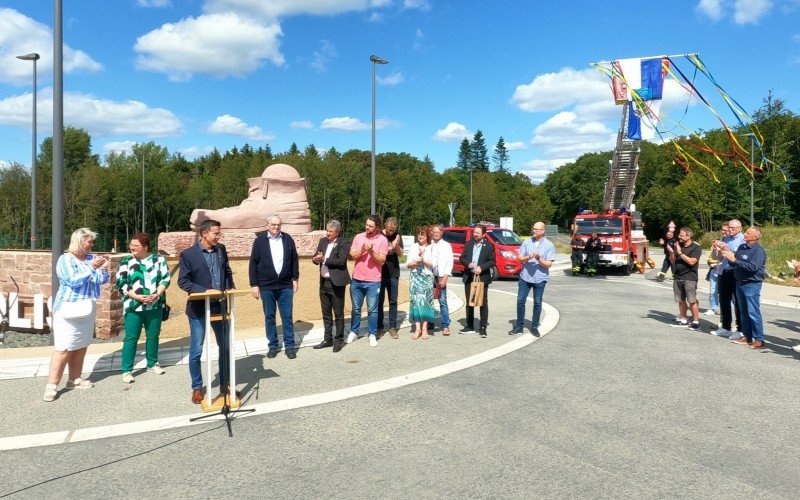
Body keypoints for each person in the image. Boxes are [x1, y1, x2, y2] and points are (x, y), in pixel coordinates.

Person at [43, 228, 110, 402]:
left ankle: (74, 379)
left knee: (81, 345)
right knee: (64, 348)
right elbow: (72, 280)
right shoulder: (65, 259)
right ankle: (52, 385)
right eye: (89, 242)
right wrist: (92, 268)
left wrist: (103, 268)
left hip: (86, 308)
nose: (92, 245)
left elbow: (101, 281)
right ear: (79, 242)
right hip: (68, 308)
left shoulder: (90, 259)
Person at [178, 219, 236, 404]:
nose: (219, 236)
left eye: (219, 233)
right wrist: (204, 291)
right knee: (196, 350)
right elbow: (183, 282)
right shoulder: (188, 254)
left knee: (225, 346)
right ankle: (197, 387)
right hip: (199, 308)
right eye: (216, 233)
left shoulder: (221, 250)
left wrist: (230, 288)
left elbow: (226, 272)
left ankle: (224, 383)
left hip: (220, 305)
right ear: (204, 234)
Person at [116, 233, 171, 384]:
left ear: (145, 246)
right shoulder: (126, 261)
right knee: (131, 338)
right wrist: (136, 296)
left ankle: (152, 363)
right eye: (131, 245)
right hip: (133, 306)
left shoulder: (158, 259)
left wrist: (156, 294)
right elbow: (121, 282)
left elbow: (165, 278)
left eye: (136, 245)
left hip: (155, 305)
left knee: (153, 336)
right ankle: (126, 370)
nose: (131, 247)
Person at [249, 214, 300, 360]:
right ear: (267, 225)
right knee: (270, 317)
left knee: (287, 316)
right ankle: (273, 346)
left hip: (285, 286)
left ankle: (289, 346)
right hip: (266, 286)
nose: (276, 227)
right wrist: (254, 285)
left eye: (278, 225)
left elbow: (294, 260)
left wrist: (295, 279)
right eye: (273, 225)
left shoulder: (287, 239)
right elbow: (253, 263)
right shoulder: (259, 241)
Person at [347, 215, 389, 347]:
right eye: (366, 225)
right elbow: (351, 257)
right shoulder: (359, 237)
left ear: (377, 227)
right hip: (357, 279)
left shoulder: (382, 240)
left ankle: (372, 334)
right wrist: (363, 250)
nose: (367, 227)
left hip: (373, 281)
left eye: (370, 226)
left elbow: (382, 260)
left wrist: (371, 252)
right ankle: (354, 331)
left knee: (372, 310)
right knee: (356, 308)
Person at [724, 226, 767, 349]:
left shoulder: (758, 250)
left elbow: (753, 267)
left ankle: (759, 339)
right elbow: (735, 261)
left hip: (752, 284)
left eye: (748, 233)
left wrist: (735, 261)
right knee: (743, 312)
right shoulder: (742, 247)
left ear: (756, 237)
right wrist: (728, 254)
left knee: (753, 312)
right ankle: (747, 336)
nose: (745, 235)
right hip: (740, 283)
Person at [311, 220, 351, 353]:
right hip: (324, 282)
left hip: (337, 283)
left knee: (338, 313)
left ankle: (338, 340)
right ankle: (327, 339)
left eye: (330, 231)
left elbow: (341, 261)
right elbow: (317, 255)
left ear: (337, 232)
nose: (327, 233)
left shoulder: (343, 242)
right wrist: (315, 259)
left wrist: (324, 260)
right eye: (327, 230)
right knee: (326, 312)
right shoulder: (323, 241)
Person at [511, 222, 555, 337]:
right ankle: (519, 327)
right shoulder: (526, 242)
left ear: (543, 231)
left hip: (540, 278)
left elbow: (548, 264)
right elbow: (520, 259)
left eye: (537, 229)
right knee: (520, 301)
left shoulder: (549, 245)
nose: (534, 231)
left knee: (537, 302)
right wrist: (529, 257)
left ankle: (534, 327)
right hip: (525, 277)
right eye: (533, 229)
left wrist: (539, 258)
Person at [459, 224, 496, 338]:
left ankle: (483, 327)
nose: (475, 234)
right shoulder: (468, 244)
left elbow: (492, 261)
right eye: (474, 232)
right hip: (469, 277)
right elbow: (462, 258)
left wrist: (481, 267)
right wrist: (468, 264)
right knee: (469, 302)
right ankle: (469, 326)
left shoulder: (489, 246)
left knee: (482, 303)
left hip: (482, 278)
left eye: (477, 233)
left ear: (483, 235)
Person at [711, 219, 745, 339]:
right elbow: (720, 257)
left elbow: (742, 257)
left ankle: (740, 329)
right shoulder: (726, 238)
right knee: (724, 299)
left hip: (736, 272)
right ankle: (726, 327)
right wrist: (718, 250)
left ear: (740, 228)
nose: (730, 230)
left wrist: (728, 250)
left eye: (733, 228)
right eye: (729, 227)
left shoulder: (743, 240)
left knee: (738, 301)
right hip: (724, 270)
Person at [667, 227, 703, 331]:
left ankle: (696, 322)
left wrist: (680, 253)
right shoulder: (679, 246)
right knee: (681, 300)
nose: (679, 237)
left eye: (681, 235)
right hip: (678, 276)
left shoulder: (696, 247)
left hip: (690, 277)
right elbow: (672, 260)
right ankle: (683, 319)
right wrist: (672, 252)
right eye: (679, 235)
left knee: (692, 300)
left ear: (689, 236)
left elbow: (692, 262)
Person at [406, 226, 436, 340]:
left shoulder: (431, 247)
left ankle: (424, 328)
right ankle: (417, 328)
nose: (420, 236)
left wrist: (424, 261)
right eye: (418, 234)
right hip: (415, 277)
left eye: (422, 234)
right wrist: (414, 263)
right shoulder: (413, 247)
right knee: (415, 302)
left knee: (426, 303)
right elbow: (407, 264)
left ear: (427, 236)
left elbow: (433, 264)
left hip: (426, 278)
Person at [378, 217, 404, 339]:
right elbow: (377, 252)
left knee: (393, 301)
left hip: (394, 273)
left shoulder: (397, 236)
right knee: (379, 301)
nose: (391, 233)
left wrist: (396, 245)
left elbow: (400, 253)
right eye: (389, 230)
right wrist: (391, 247)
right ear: (385, 225)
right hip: (380, 273)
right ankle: (379, 327)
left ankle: (392, 327)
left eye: (393, 231)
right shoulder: (378, 235)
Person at [431, 224, 454, 335]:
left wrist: (445, 277)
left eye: (437, 232)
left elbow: (450, 262)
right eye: (434, 232)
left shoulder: (446, 245)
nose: (435, 234)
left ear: (441, 233)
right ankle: (430, 323)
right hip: (429, 276)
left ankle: (445, 325)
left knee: (442, 301)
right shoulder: (429, 245)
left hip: (441, 276)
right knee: (429, 300)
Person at [705, 222, 729, 316]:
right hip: (715, 271)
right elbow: (712, 257)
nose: (723, 232)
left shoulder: (733, 242)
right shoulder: (719, 241)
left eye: (725, 230)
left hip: (726, 271)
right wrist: (715, 250)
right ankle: (713, 308)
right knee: (712, 291)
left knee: (727, 293)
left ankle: (727, 310)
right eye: (722, 230)